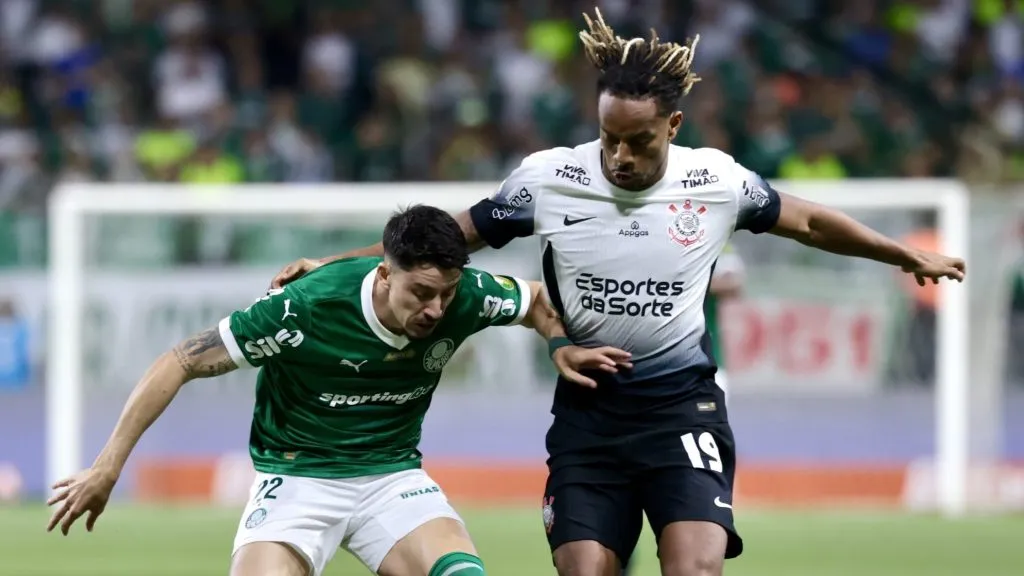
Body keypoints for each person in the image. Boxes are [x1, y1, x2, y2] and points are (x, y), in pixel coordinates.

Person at [267, 9, 966, 576]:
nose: (620, 157)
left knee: (695, 568)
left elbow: (809, 221)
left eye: (638, 143)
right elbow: (446, 238)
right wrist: (344, 264)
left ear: (673, 127)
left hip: (680, 408)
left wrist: (901, 252)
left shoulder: (714, 181)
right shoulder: (551, 180)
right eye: (608, 138)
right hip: (589, 417)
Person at [45, 204, 631, 576]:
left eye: (446, 294)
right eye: (421, 292)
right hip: (296, 480)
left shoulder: (468, 295)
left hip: (390, 477)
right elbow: (180, 361)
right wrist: (106, 468)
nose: (435, 309)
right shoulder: (304, 308)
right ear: (384, 272)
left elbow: (533, 300)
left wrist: (559, 344)